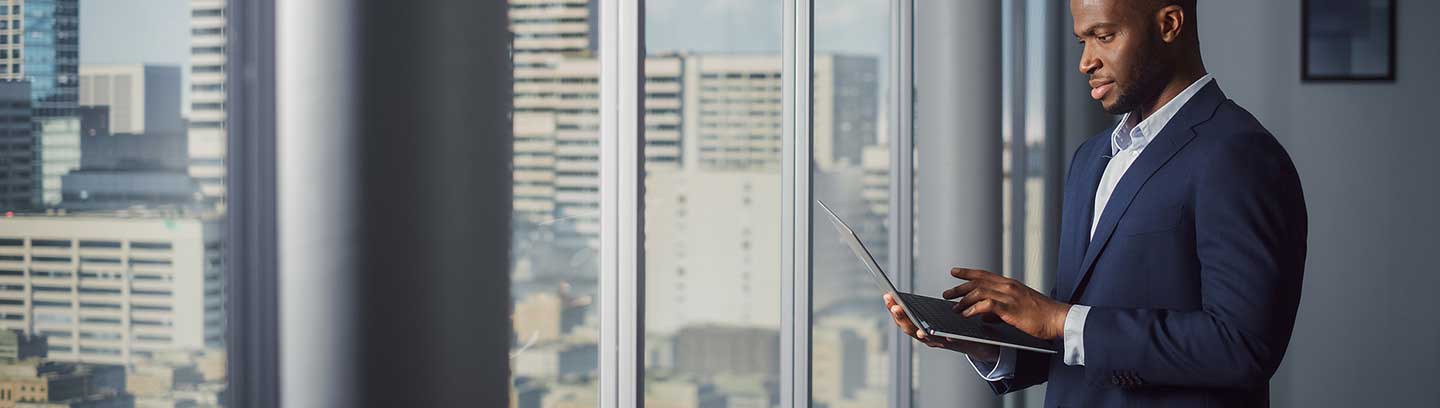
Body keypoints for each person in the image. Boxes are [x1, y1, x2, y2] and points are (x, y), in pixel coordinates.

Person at [883, 0, 1308, 406]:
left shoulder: (1239, 153)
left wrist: (1058, 319)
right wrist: (984, 342)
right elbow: (1080, 339)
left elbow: (1242, 347)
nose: (1086, 61)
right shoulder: (1090, 158)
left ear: (1169, 25)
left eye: (1103, 36)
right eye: (1082, 40)